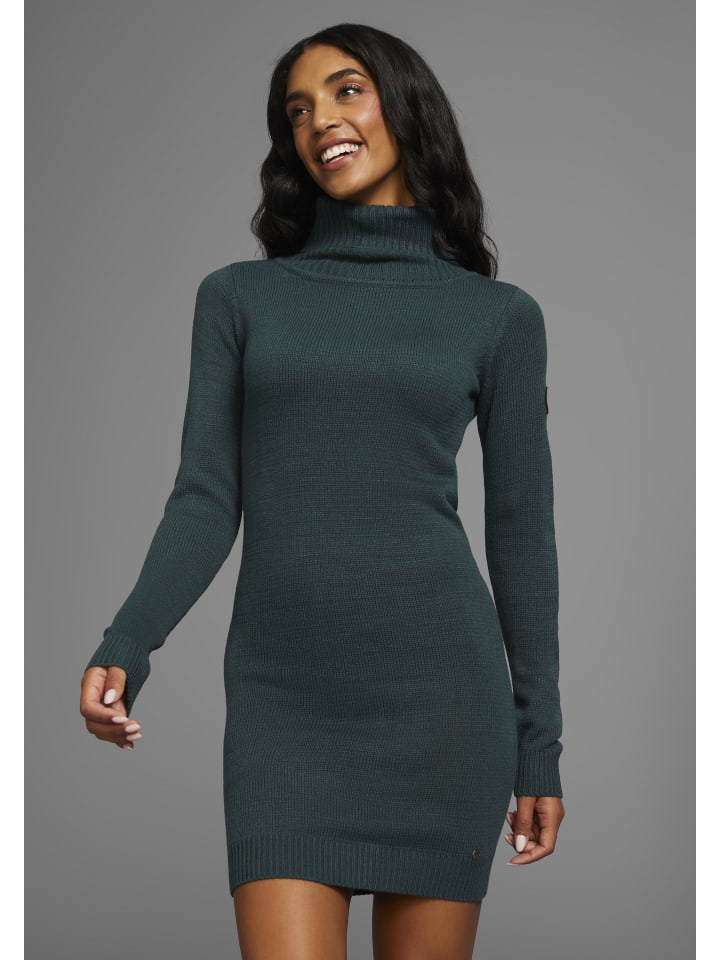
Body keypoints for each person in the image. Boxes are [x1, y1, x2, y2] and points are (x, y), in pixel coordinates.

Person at [80, 22, 565, 960]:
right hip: (284, 703)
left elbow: (522, 537)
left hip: (441, 699)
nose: (320, 122)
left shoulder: (499, 318)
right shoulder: (239, 299)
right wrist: (127, 643)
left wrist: (538, 743)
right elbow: (205, 497)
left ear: (405, 106)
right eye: (297, 111)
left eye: (346, 91)